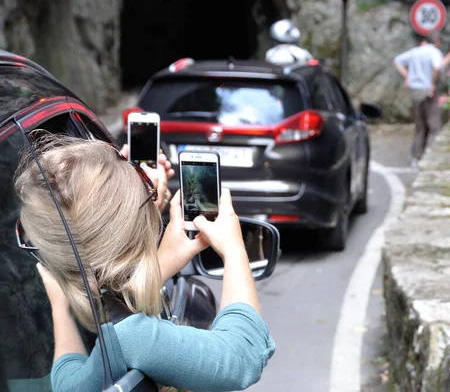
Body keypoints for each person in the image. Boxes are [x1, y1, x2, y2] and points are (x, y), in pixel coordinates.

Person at [14, 135, 275, 391]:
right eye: (149, 198)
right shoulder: (132, 339)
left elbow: (67, 381)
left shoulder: (113, 342)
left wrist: (60, 304)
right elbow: (242, 355)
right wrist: (233, 247)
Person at [393, 30, 450, 168]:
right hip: (429, 91)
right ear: (437, 42)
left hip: (415, 91)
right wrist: (433, 84)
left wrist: (408, 76)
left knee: (420, 126)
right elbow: (438, 67)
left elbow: (397, 60)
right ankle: (432, 157)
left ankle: (416, 158)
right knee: (434, 125)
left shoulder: (415, 51)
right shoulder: (434, 52)